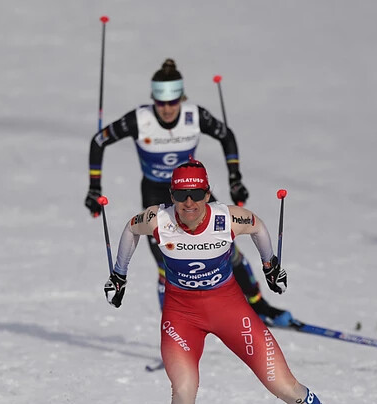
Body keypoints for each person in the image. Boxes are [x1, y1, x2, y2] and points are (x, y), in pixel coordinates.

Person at [103, 160, 377, 404]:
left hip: (230, 311)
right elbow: (131, 229)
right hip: (181, 316)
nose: (189, 203)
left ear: (207, 194)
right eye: (182, 195)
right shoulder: (158, 219)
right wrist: (119, 275)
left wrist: (270, 264)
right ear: (172, 196)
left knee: (284, 386)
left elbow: (258, 226)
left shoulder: (228, 218)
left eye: (196, 193)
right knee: (183, 390)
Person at [84, 58, 292, 326]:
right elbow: (98, 141)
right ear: (153, 100)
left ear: (181, 98)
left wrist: (235, 179)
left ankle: (258, 304)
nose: (167, 109)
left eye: (173, 102)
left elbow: (226, 135)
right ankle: (175, 329)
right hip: (156, 193)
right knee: (166, 264)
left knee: (228, 248)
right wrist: (94, 188)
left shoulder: (195, 116)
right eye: (161, 102)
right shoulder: (140, 119)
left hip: (193, 189)